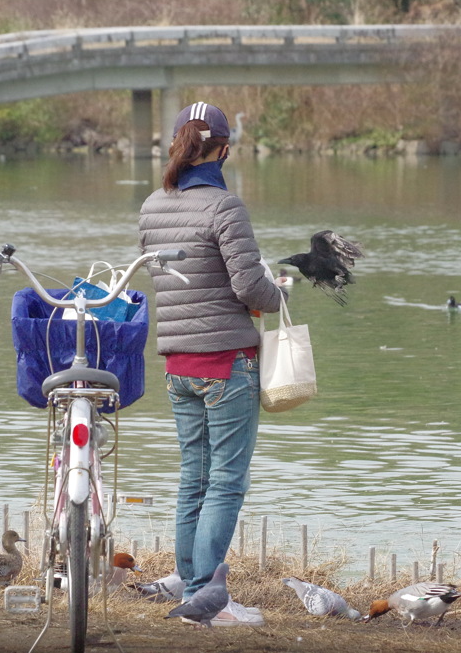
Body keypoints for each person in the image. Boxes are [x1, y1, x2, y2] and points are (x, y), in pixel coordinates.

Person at [138, 101, 285, 626]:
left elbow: (170, 278)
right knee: (225, 482)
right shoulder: (225, 207)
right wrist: (279, 292)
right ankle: (205, 597)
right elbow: (249, 287)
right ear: (223, 149)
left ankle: (190, 583)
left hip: (177, 365)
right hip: (226, 364)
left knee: (192, 478)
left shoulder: (153, 204)